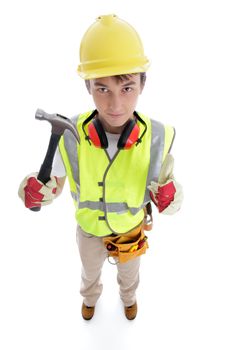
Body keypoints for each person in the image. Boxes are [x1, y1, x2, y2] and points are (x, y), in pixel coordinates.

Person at [18, 14, 183, 321]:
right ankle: (90, 299)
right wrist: (34, 189)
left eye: (127, 87)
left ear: (143, 84)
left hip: (131, 230)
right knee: (89, 272)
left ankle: (128, 298)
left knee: (130, 275)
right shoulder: (71, 132)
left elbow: (169, 194)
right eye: (102, 88)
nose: (115, 104)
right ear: (88, 87)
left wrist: (171, 199)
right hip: (89, 231)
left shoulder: (158, 136)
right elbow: (51, 184)